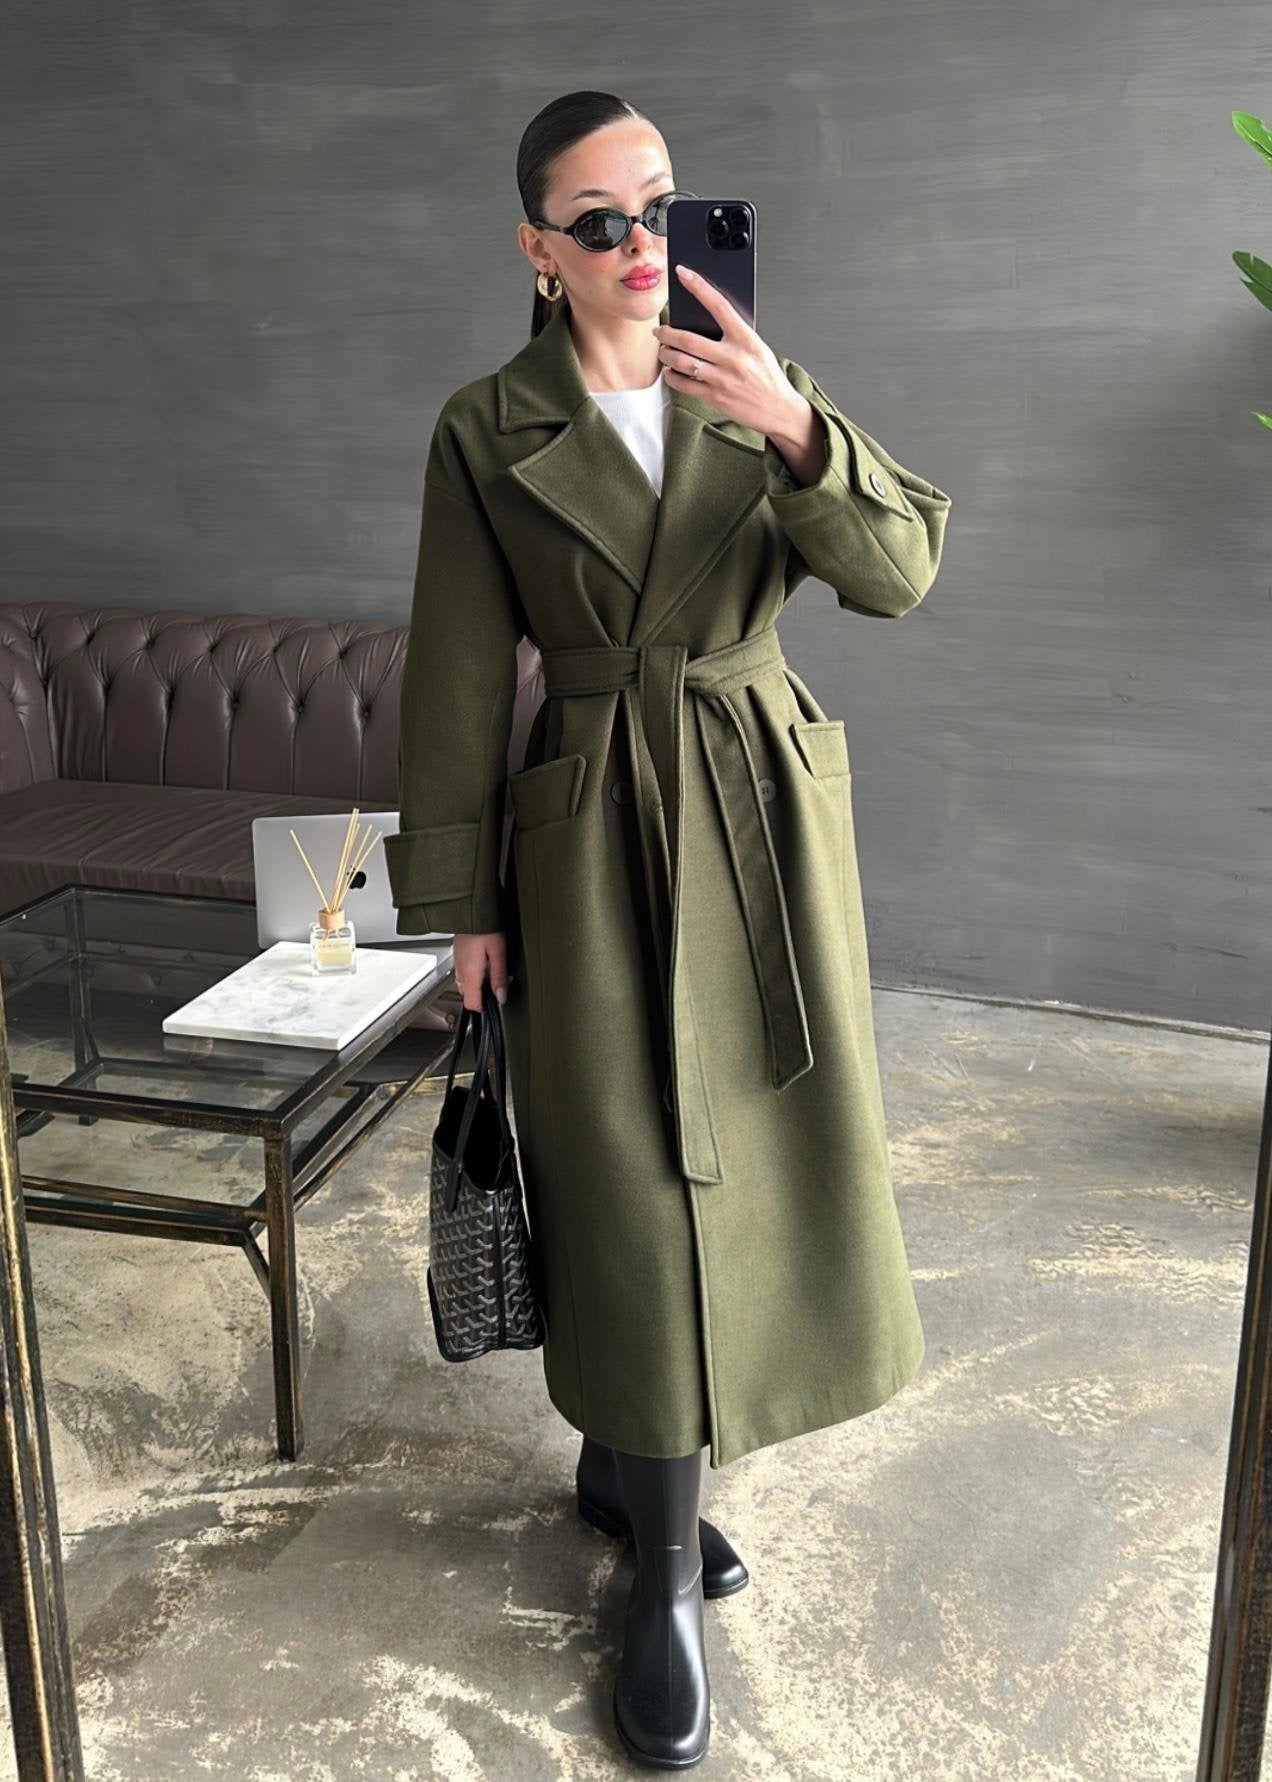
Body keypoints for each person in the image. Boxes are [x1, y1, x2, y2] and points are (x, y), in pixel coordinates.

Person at [385, 89, 953, 1771]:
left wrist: (795, 429)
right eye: (601, 221)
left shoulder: (754, 377)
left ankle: (645, 1474)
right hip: (585, 834)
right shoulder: (486, 426)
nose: (644, 243)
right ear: (537, 249)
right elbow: (453, 673)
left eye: (663, 204)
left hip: (755, 806)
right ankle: (663, 1571)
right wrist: (461, 904)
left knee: (757, 1163)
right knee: (627, 1177)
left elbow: (902, 572)